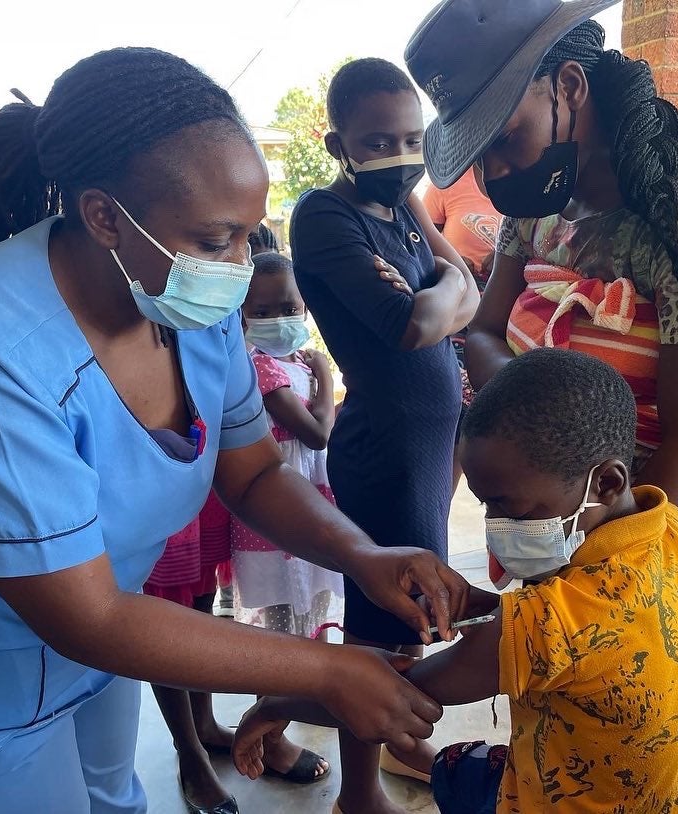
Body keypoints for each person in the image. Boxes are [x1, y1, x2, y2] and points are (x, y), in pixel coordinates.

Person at [0, 48, 472, 814]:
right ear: (105, 215)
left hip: (106, 640)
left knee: (117, 797)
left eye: (249, 235)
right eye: (216, 243)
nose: (240, 266)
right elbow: (88, 616)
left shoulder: (184, 305)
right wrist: (324, 672)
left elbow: (252, 473)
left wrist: (362, 554)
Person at [405, 4, 678, 809]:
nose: (495, 171)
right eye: (480, 153)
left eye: (504, 138)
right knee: (573, 741)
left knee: (663, 746)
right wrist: (544, 422)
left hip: (652, 539)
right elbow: (479, 335)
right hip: (561, 511)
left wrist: (572, 594)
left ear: (570, 85)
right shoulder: (540, 209)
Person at [231, 349, 678, 814]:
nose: (495, 524)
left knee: (457, 769)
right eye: (484, 503)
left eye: (511, 506)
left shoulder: (550, 624)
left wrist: (277, 705)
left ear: (606, 483)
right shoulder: (672, 529)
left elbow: (390, 692)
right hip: (675, 793)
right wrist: (486, 610)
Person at [288, 57, 479, 814]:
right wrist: (442, 293)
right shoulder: (324, 216)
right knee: (384, 628)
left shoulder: (402, 204)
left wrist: (444, 287)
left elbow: (460, 274)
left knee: (411, 621)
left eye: (411, 138)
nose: (399, 156)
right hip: (387, 451)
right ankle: (359, 795)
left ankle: (397, 745)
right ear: (338, 144)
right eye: (377, 140)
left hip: (431, 449)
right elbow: (414, 324)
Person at [232, 251, 343, 641]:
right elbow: (317, 433)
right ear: (242, 314)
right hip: (281, 503)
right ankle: (279, 700)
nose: (277, 319)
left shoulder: (296, 362)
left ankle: (313, 696)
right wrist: (326, 377)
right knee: (283, 628)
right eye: (261, 312)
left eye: (288, 307)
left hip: (308, 493)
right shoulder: (260, 365)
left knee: (314, 606)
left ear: (305, 305)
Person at [141, 492, 241, 810]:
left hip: (204, 480)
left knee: (202, 592)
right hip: (153, 478)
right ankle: (189, 749)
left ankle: (204, 724)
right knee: (162, 610)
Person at [423, 167, 503, 489]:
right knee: (453, 411)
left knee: (484, 419)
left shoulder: (526, 180)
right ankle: (440, 501)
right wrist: (457, 269)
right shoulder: (448, 183)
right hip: (457, 315)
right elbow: (421, 246)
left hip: (504, 315)